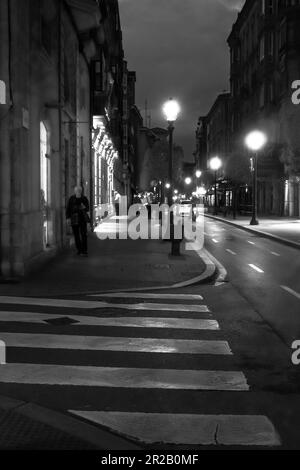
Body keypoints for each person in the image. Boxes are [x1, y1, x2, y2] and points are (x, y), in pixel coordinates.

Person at [66, 186, 90, 256]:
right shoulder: (71, 198)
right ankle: (79, 250)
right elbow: (68, 209)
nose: (78, 192)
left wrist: (84, 207)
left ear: (81, 191)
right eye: (77, 191)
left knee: (83, 235)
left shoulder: (84, 199)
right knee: (76, 235)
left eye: (79, 190)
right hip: (74, 218)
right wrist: (68, 218)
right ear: (74, 191)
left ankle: (84, 250)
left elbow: (87, 208)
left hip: (82, 219)